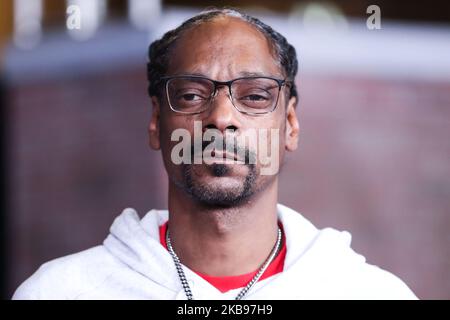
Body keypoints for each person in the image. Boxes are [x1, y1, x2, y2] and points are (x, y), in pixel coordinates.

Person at [13, 8, 417, 300]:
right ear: (157, 122)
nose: (222, 118)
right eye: (190, 95)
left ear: (290, 126)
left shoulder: (369, 293)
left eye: (255, 96)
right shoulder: (60, 292)